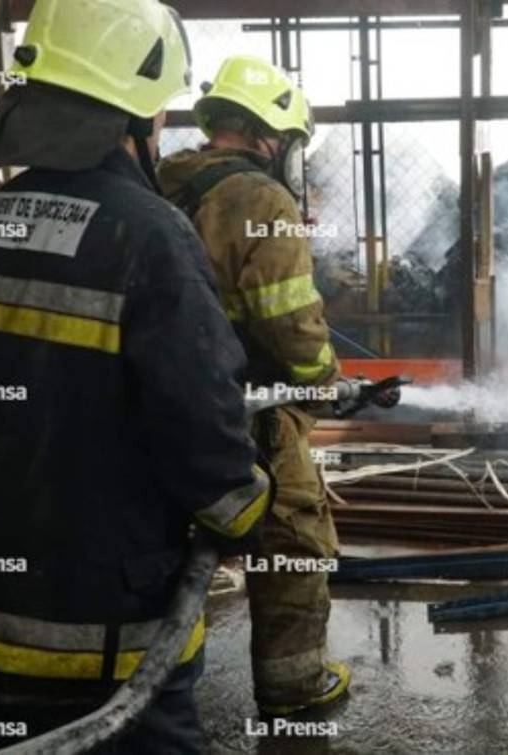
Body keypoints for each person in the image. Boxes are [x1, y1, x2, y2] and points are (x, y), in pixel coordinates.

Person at [0, 1, 270, 752]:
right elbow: (198, 423)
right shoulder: (151, 237)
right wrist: (244, 514)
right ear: (137, 114)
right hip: (103, 642)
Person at [159, 55, 372, 718]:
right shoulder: (262, 199)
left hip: (162, 403)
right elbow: (288, 317)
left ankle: (152, 677)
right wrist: (324, 380)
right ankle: (294, 685)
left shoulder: (163, 183)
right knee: (294, 533)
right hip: (249, 409)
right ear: (269, 136)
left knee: (167, 537)